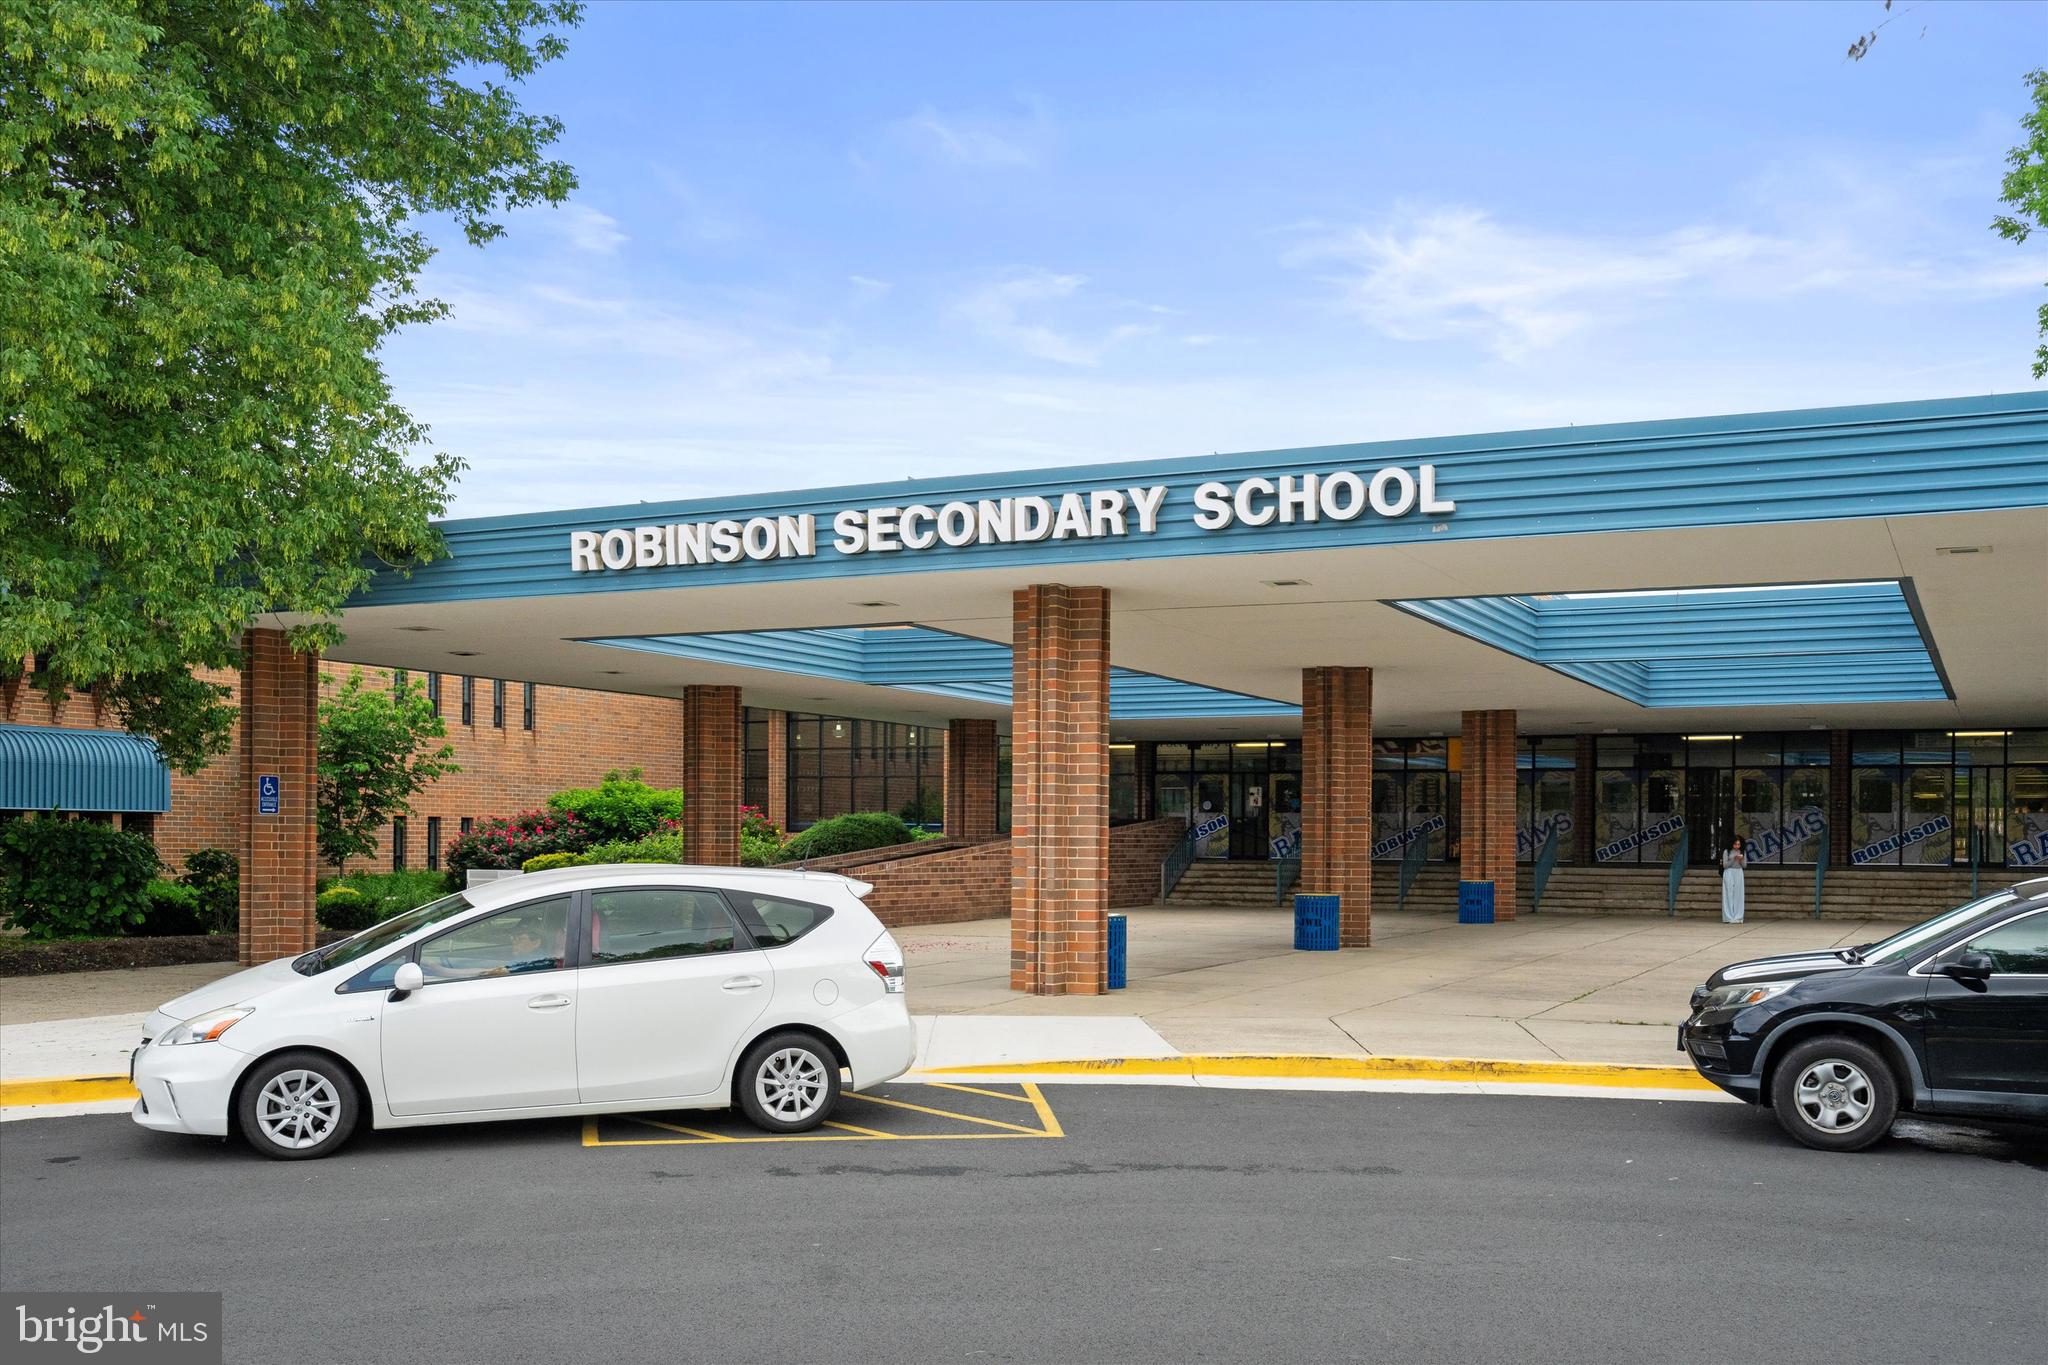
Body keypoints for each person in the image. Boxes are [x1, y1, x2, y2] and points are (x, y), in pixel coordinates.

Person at [1720, 837, 1748, 924]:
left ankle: (1738, 916)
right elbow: (1725, 865)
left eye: (1738, 844)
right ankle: (1728, 917)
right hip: (1729, 872)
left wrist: (1741, 860)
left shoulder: (1742, 852)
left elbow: (1744, 866)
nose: (1737, 846)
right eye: (1735, 844)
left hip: (1738, 872)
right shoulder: (1726, 852)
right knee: (1728, 893)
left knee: (1738, 894)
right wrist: (1733, 859)